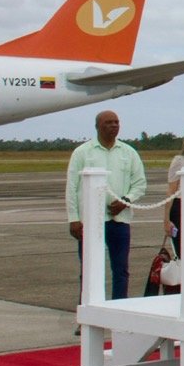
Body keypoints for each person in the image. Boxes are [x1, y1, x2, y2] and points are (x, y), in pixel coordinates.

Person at [65, 109, 147, 302]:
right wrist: (74, 218)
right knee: (89, 270)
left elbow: (140, 183)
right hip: (90, 222)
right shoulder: (83, 152)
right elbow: (71, 187)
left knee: (121, 270)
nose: (113, 126)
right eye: (108, 123)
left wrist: (126, 200)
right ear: (97, 127)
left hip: (119, 220)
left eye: (116, 122)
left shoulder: (128, 152)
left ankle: (119, 310)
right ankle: (88, 312)